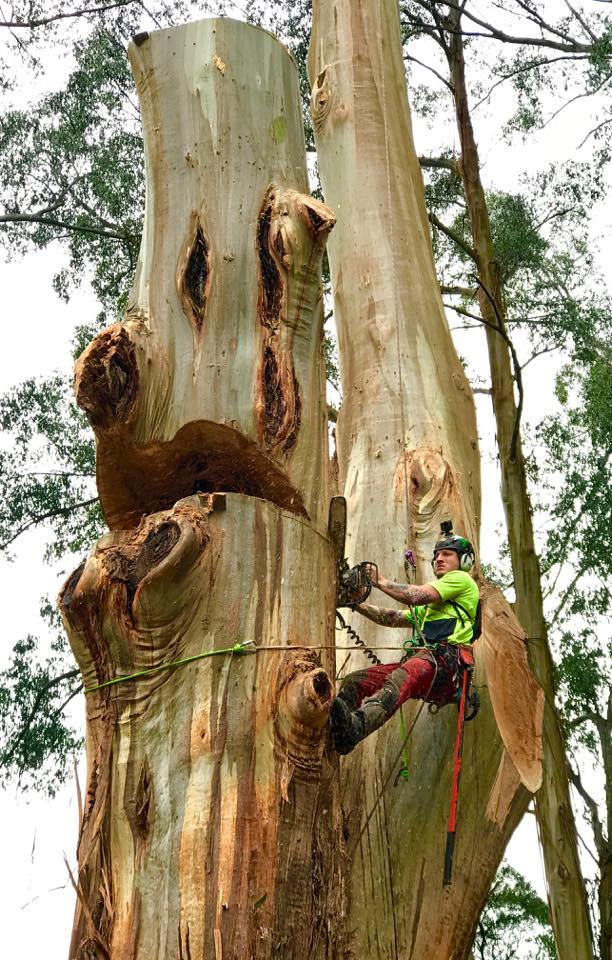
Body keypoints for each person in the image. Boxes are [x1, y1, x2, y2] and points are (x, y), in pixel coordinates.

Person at [330, 528, 480, 755]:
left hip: (445, 664)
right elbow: (392, 618)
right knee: (356, 681)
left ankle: (356, 727)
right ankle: (337, 730)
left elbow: (415, 595)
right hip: (425, 665)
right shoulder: (434, 607)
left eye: (447, 554)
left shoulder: (461, 580)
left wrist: (379, 581)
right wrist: (354, 604)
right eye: (437, 555)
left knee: (400, 678)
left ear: (465, 561)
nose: (439, 558)